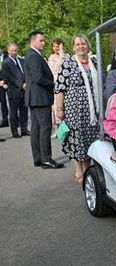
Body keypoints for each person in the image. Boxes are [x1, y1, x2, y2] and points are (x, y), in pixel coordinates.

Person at [55, 34, 100, 183]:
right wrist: (59, 109)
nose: (81, 46)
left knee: (89, 139)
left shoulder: (95, 61)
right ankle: (78, 170)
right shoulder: (68, 63)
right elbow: (59, 88)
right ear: (73, 47)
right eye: (78, 44)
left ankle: (87, 170)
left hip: (94, 110)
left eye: (83, 44)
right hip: (74, 109)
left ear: (88, 46)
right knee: (76, 139)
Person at [24, 31, 63, 169]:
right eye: (41, 40)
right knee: (45, 128)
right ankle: (46, 158)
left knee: (36, 128)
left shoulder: (32, 55)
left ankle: (39, 158)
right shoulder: (33, 56)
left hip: (36, 97)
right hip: (40, 97)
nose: (44, 43)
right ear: (33, 41)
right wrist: (54, 84)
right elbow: (38, 78)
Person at [2, 43, 29, 138]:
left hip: (25, 90)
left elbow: (26, 73)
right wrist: (22, 85)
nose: (14, 52)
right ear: (8, 51)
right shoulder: (5, 63)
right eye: (12, 50)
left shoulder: (22, 60)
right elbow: (9, 78)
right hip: (14, 91)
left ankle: (24, 129)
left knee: (24, 110)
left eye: (15, 50)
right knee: (13, 112)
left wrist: (27, 84)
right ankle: (14, 131)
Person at [48, 38, 69, 138]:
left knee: (65, 105)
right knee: (56, 107)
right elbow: (55, 68)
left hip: (66, 84)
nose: (56, 48)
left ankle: (65, 127)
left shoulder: (67, 56)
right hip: (56, 84)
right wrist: (60, 55)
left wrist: (62, 54)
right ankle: (56, 128)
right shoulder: (51, 57)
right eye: (54, 46)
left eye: (58, 46)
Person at [0, 46, 8, 127]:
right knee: (2, 103)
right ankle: (4, 120)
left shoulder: (7, 58)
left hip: (7, 83)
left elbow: (10, 71)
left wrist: (5, 82)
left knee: (10, 103)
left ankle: (13, 120)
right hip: (0, 84)